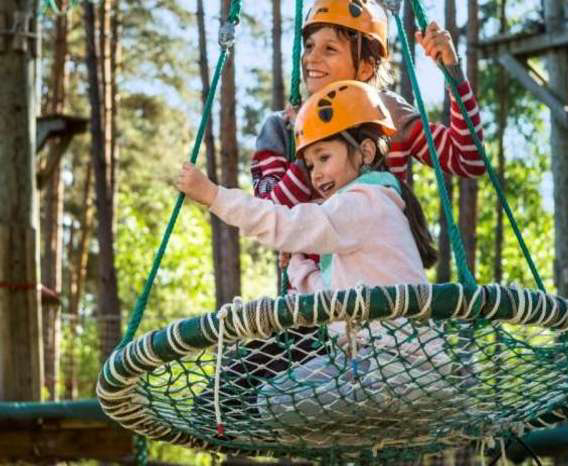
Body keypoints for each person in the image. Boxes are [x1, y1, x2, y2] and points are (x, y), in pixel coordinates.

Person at [180, 81, 451, 435]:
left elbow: (284, 222)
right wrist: (297, 264)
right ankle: (370, 430)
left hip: (392, 368)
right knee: (271, 398)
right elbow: (329, 297)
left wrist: (214, 196)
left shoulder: (364, 202)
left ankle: (366, 425)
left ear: (365, 152)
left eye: (324, 158)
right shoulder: (363, 214)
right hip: (380, 367)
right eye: (309, 165)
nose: (316, 173)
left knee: (269, 401)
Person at [252, 0, 485, 209]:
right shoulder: (281, 128)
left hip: (382, 242)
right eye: (310, 46)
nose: (311, 58)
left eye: (329, 49)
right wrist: (308, 148)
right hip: (315, 246)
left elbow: (469, 160)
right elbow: (266, 214)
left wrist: (453, 73)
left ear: (365, 67)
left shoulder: (389, 114)